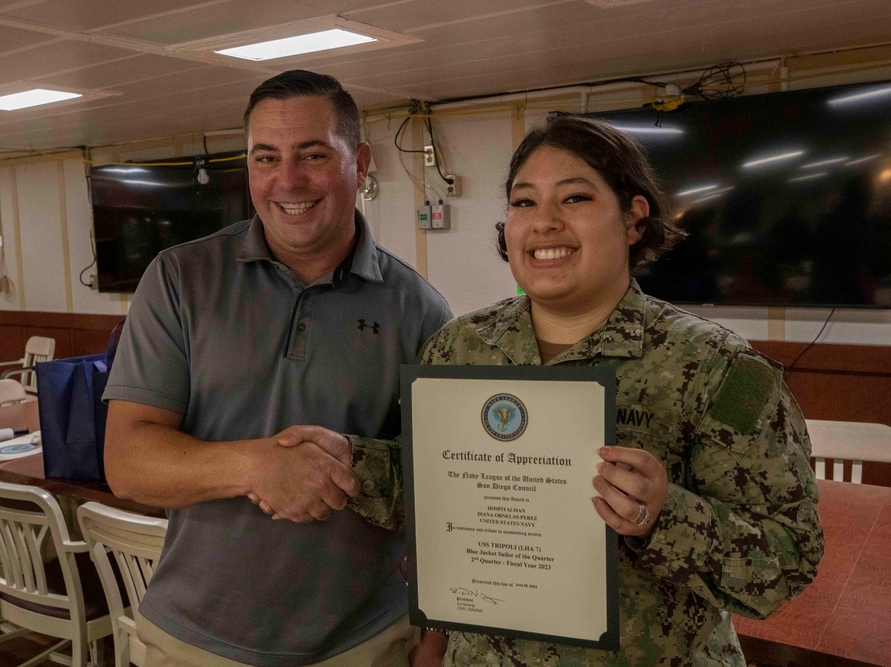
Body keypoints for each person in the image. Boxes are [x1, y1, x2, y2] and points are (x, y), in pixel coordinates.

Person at [406, 114, 825, 665]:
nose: (544, 223)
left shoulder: (720, 369)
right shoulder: (457, 349)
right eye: (524, 202)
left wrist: (664, 515)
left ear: (633, 219)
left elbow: (788, 561)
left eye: (575, 198)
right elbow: (428, 498)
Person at [102, 70, 451, 667]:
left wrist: (436, 639)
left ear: (360, 163)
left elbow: (442, 490)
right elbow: (128, 464)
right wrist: (256, 466)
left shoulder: (419, 308)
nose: (287, 180)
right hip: (193, 643)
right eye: (267, 157)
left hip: (365, 643)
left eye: (313, 155)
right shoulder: (179, 278)